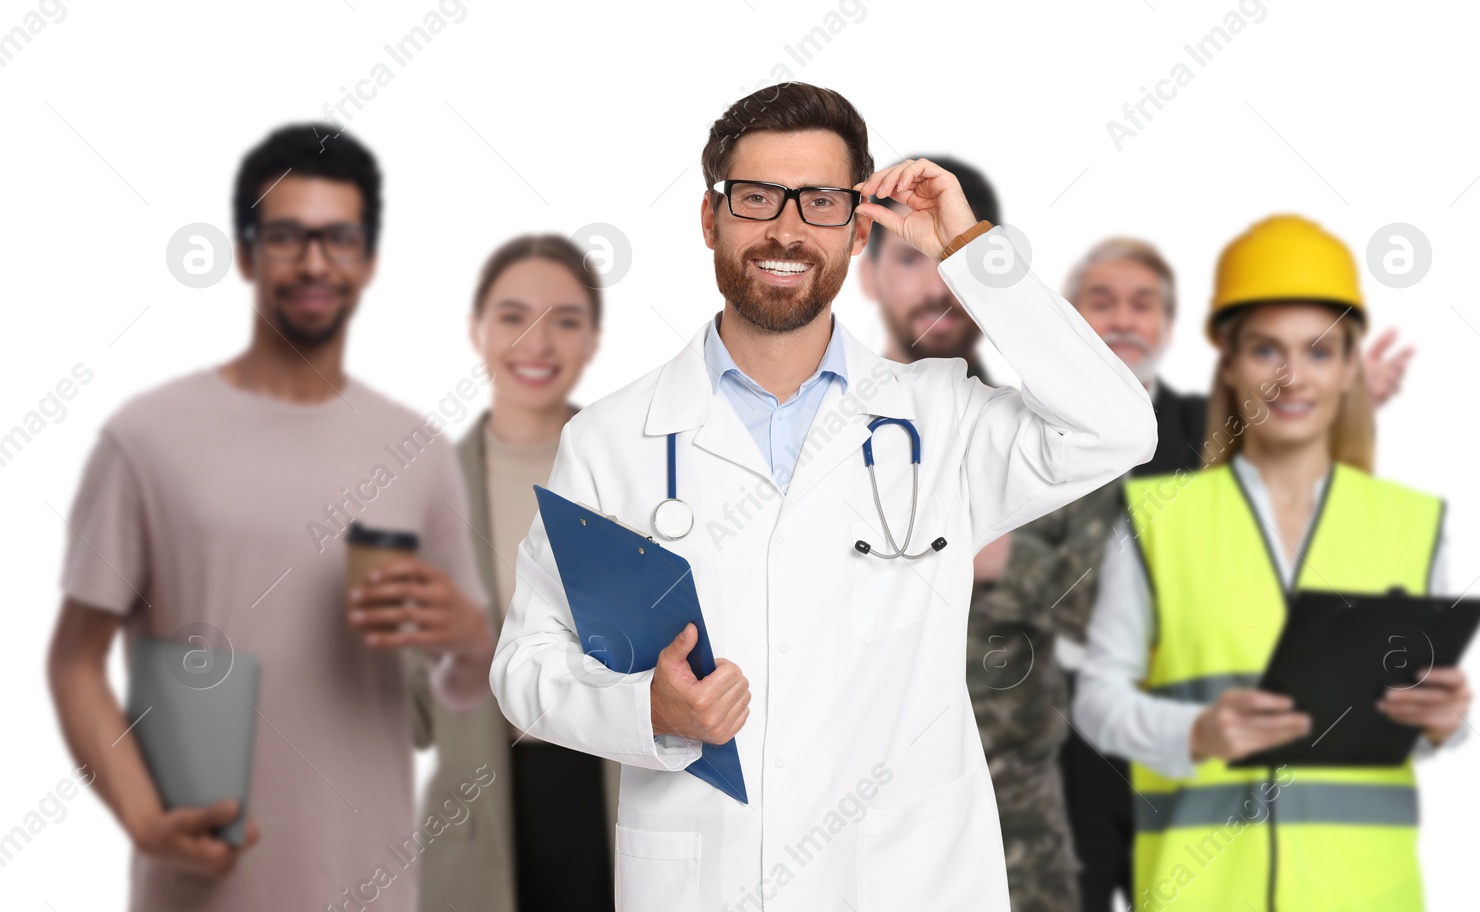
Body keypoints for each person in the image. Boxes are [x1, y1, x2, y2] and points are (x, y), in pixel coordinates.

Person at [489, 82, 1158, 910]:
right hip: (709, 878)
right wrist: (646, 710)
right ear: (710, 220)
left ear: (856, 224)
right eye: (757, 198)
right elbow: (525, 667)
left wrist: (970, 252)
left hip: (903, 881)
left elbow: (1119, 428)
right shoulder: (613, 438)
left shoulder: (939, 418)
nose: (787, 229)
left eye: (821, 202)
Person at [46, 124, 495, 912]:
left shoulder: (417, 451)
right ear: (247, 253)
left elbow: (466, 682)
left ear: (368, 260)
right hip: (201, 887)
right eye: (288, 236)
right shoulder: (147, 438)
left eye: (339, 238)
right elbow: (75, 660)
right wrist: (143, 818)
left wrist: (466, 630)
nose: (316, 261)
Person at [1072, 215, 1471, 910]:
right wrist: (1192, 731)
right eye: (1266, 350)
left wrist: (1446, 719)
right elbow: (1098, 700)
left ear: (1351, 366)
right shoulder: (1157, 519)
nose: (1292, 377)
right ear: (1228, 362)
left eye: (1319, 353)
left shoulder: (1412, 526)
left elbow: (1418, 721)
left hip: (1365, 894)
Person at [858, 154, 1083, 912]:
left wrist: (1008, 562)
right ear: (868, 273)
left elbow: (1118, 607)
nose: (936, 284)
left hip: (1022, 810)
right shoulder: (832, 430)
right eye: (912, 260)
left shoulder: (1051, 429)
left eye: (952, 260)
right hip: (872, 818)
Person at [407, 234, 620, 912]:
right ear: (476, 330)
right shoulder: (420, 501)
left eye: (565, 320)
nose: (538, 342)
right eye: (512, 316)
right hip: (481, 823)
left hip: (618, 799)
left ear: (593, 339)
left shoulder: (639, 473)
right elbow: (408, 716)